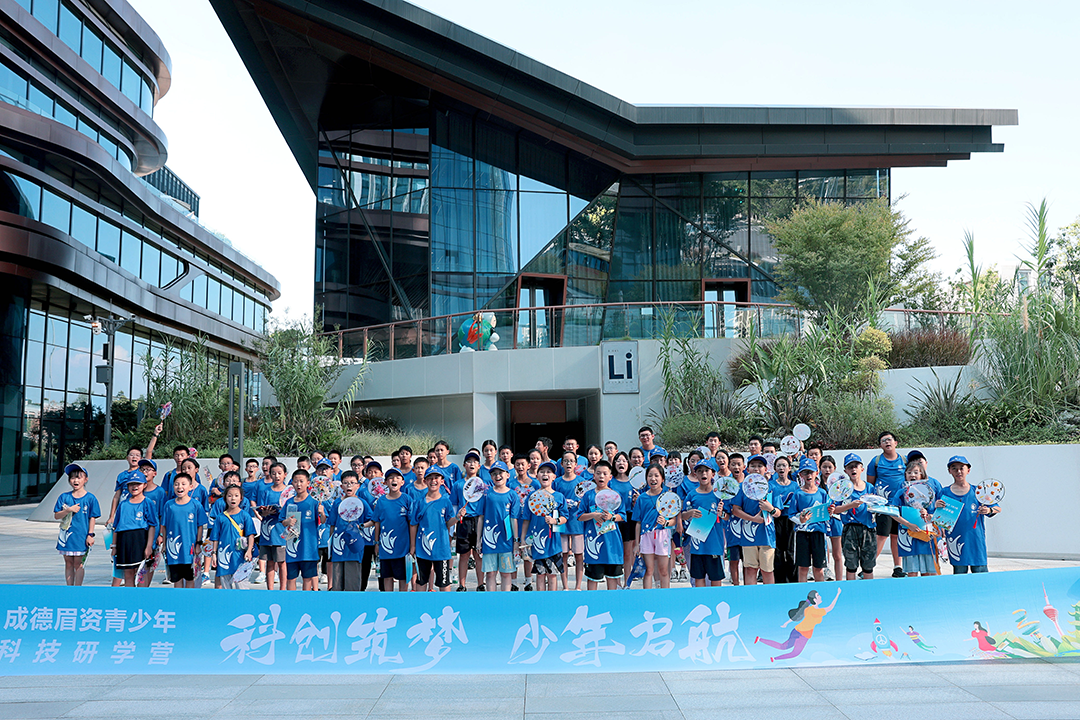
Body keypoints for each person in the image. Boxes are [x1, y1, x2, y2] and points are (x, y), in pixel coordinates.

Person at [937, 456, 999, 573]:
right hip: (955, 540)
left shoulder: (978, 491)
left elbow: (996, 508)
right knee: (960, 576)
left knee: (981, 575)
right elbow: (936, 516)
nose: (958, 471)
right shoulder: (944, 492)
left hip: (976, 540)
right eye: (954, 468)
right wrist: (936, 506)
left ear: (968, 470)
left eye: (962, 468)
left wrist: (988, 510)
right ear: (949, 471)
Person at [730, 455, 780, 585]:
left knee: (767, 570)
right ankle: (751, 600)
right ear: (747, 468)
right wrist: (753, 519)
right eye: (753, 466)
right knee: (750, 569)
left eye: (759, 466)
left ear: (765, 469)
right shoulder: (742, 488)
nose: (756, 469)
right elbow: (735, 510)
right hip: (748, 536)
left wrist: (771, 509)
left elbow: (778, 513)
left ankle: (769, 600)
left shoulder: (771, 488)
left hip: (767, 536)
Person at [755, 589, 842, 662]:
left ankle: (760, 640)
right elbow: (830, 607)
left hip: (797, 631)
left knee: (783, 647)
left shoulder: (809, 609)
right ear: (815, 600)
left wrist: (786, 623)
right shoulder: (814, 611)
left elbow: (797, 615)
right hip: (803, 634)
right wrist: (838, 594)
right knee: (794, 653)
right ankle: (774, 658)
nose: (820, 596)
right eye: (818, 595)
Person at [410, 467, 459, 592]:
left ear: (442, 481)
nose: (433, 481)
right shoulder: (419, 502)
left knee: (444, 582)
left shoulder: (445, 501)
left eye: (436, 478)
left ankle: (446, 608)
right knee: (421, 581)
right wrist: (413, 546)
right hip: (422, 549)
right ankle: (421, 608)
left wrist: (457, 518)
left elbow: (449, 522)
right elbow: (413, 524)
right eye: (430, 478)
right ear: (425, 481)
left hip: (441, 548)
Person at [576, 460, 624, 590]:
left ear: (610, 476)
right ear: (594, 476)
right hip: (594, 545)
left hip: (612, 544)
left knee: (613, 580)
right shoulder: (588, 496)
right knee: (593, 580)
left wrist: (612, 517)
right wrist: (593, 515)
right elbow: (579, 516)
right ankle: (592, 607)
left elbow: (622, 516)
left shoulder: (615, 496)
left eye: (604, 473)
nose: (601, 476)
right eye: (598, 473)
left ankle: (611, 607)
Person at [522, 461, 568, 591]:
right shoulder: (532, 497)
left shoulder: (559, 496)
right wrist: (522, 538)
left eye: (549, 472)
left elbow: (565, 517)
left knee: (552, 574)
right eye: (542, 472)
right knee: (540, 574)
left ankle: (552, 601)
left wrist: (555, 521)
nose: (545, 474)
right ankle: (540, 601)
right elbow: (526, 519)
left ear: (554, 476)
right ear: (537, 476)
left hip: (553, 541)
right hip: (537, 541)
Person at [830, 454, 877, 580]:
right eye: (850, 467)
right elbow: (835, 510)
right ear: (845, 471)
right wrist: (850, 505)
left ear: (862, 468)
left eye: (856, 466)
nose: (853, 469)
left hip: (868, 528)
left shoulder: (869, 488)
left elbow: (878, 505)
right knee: (851, 564)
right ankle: (850, 592)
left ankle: (869, 592)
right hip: (850, 529)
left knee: (868, 565)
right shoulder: (843, 489)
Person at [867, 431, 907, 578]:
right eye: (884, 441)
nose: (887, 442)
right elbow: (870, 484)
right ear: (880, 445)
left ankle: (898, 567)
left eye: (890, 439)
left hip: (900, 506)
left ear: (896, 443)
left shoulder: (904, 460)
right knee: (881, 536)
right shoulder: (876, 461)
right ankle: (868, 567)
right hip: (883, 507)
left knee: (896, 536)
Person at [159, 472, 208, 589]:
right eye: (176, 484)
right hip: (173, 550)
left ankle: (189, 601)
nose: (179, 487)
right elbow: (164, 526)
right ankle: (179, 602)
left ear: (191, 487)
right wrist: (164, 545)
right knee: (177, 579)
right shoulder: (169, 505)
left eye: (183, 484)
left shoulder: (196, 505)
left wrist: (198, 544)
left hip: (190, 549)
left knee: (190, 578)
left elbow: (200, 526)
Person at [476, 460, 520, 591]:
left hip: (506, 540)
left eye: (500, 473)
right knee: (490, 573)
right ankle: (492, 602)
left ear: (508, 475)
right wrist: (479, 540)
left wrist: (516, 541)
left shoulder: (512, 494)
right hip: (489, 541)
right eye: (494, 473)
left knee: (506, 573)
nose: (497, 476)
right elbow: (481, 517)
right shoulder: (486, 494)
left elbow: (514, 519)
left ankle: (504, 602)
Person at [54, 464, 100, 586]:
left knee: (78, 564)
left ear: (86, 479)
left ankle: (78, 588)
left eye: (79, 477)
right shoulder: (64, 497)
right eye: (73, 477)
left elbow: (92, 518)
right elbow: (57, 515)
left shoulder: (90, 498)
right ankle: (69, 588)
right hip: (66, 535)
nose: (76, 480)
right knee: (68, 563)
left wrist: (90, 534)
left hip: (81, 536)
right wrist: (69, 510)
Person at [111, 472, 158, 587]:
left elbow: (152, 525)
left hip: (140, 539)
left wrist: (149, 546)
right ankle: (130, 600)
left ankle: (141, 600)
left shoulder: (148, 503)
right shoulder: (123, 504)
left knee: (142, 573)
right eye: (131, 484)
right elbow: (116, 527)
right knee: (128, 573)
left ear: (144, 485)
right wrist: (114, 546)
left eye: (138, 483)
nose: (134, 486)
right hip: (124, 540)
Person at [326, 470, 369, 592]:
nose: (349, 485)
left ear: (358, 486)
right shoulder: (337, 503)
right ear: (341, 486)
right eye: (346, 483)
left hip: (354, 547)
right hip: (338, 548)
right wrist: (331, 545)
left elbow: (372, 520)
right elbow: (332, 525)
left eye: (352, 483)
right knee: (337, 584)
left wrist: (361, 526)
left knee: (352, 584)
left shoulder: (362, 503)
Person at [370, 469, 413, 591]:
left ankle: (402, 602)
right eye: (390, 478)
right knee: (387, 576)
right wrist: (377, 543)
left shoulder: (407, 499)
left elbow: (411, 524)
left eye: (397, 477)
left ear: (402, 482)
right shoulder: (381, 501)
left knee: (403, 577)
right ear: (385, 483)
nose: (394, 480)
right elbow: (377, 522)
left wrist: (412, 545)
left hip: (403, 547)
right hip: (385, 548)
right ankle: (388, 601)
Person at [281, 469, 323, 591]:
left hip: (309, 548)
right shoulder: (289, 502)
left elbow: (324, 521)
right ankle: (291, 603)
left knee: (307, 579)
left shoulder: (314, 502)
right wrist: (287, 522)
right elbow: (282, 521)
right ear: (292, 483)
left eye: (301, 481)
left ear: (308, 483)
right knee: (291, 578)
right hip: (292, 548)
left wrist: (322, 513)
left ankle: (305, 604)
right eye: (295, 481)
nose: (298, 484)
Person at [895, 460, 939, 577]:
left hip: (926, 534)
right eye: (909, 472)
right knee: (912, 572)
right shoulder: (901, 491)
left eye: (916, 472)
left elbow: (940, 513)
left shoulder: (930, 491)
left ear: (922, 475)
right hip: (908, 536)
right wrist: (909, 524)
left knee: (929, 572)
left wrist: (929, 516)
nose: (912, 475)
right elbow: (893, 512)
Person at [789, 457, 829, 583]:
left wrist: (831, 512)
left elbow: (827, 512)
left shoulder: (822, 493)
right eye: (805, 472)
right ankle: (803, 595)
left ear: (817, 473)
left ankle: (820, 593)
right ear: (800, 474)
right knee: (803, 568)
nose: (808, 475)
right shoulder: (798, 494)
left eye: (811, 472)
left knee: (819, 568)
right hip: (802, 534)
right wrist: (801, 519)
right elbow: (791, 514)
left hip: (818, 533)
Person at [451, 451, 486, 591]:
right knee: (464, 555)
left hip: (478, 521)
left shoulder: (483, 485)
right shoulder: (458, 485)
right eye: (469, 462)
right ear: (464, 465)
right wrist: (453, 525)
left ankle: (480, 584)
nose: (472, 464)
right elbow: (454, 505)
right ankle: (462, 584)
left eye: (474, 462)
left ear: (479, 466)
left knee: (479, 554)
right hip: (463, 522)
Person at [211, 485, 255, 589]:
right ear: (225, 498)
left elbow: (251, 535)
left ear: (241, 498)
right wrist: (214, 554)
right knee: (226, 586)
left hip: (240, 555)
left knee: (241, 586)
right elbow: (215, 538)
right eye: (230, 496)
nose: (233, 498)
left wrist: (249, 551)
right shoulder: (220, 517)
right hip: (223, 556)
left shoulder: (245, 516)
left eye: (236, 495)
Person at [554, 451, 585, 591]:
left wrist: (579, 504)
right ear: (561, 464)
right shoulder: (557, 482)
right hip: (562, 522)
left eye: (571, 461)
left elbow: (586, 501)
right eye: (565, 461)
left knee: (579, 555)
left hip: (577, 522)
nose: (568, 464)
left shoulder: (581, 482)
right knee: (564, 555)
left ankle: (578, 586)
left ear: (576, 464)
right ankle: (565, 586)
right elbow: (552, 500)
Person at [254, 462, 288, 590]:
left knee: (282, 562)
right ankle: (270, 589)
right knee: (269, 561)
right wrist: (265, 512)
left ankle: (283, 589)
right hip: (267, 531)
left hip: (281, 531)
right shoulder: (266, 491)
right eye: (273, 473)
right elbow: (260, 509)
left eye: (279, 473)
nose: (276, 476)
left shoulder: (288, 492)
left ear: (285, 475)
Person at [609, 451, 638, 583]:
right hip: (614, 518)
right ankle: (616, 580)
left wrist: (636, 500)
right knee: (615, 551)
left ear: (628, 464)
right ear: (614, 464)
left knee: (628, 552)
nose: (621, 463)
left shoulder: (634, 482)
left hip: (629, 518)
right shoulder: (610, 482)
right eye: (618, 461)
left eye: (624, 461)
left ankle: (627, 580)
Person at [770, 455, 798, 584]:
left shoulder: (795, 486)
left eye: (784, 465)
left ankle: (793, 580)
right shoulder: (771, 485)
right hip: (776, 520)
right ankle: (779, 581)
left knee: (791, 551)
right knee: (778, 552)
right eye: (779, 465)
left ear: (789, 468)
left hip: (791, 520)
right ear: (775, 468)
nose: (781, 468)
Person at [818, 455, 843, 582]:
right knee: (821, 553)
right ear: (819, 468)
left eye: (830, 467)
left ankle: (839, 581)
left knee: (837, 554)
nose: (827, 470)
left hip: (836, 520)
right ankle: (823, 576)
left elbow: (843, 502)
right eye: (824, 467)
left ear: (835, 468)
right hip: (821, 520)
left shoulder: (840, 484)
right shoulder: (816, 484)